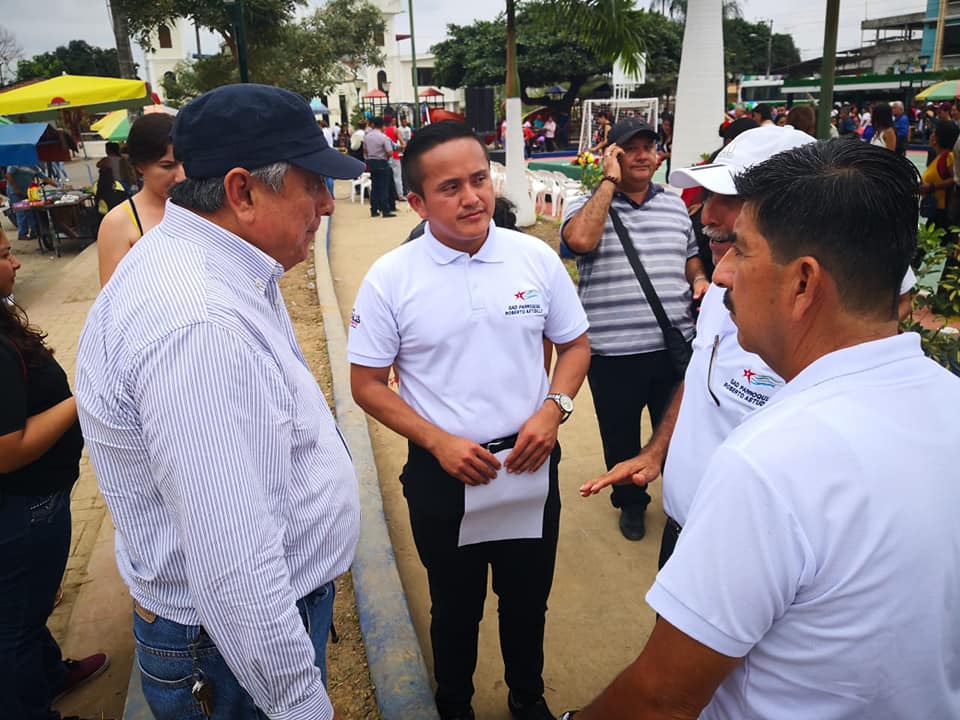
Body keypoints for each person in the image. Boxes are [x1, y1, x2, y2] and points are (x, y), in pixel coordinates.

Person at [564, 139, 960, 720]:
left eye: (742, 251)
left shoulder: (769, 462)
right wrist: (659, 452)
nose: (721, 272)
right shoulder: (946, 400)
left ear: (803, 283)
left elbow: (663, 696)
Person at [74, 83, 365, 720]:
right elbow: (233, 561)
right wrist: (299, 704)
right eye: (312, 184)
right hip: (227, 654)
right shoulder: (198, 325)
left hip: (232, 641)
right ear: (242, 192)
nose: (326, 204)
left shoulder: (220, 268)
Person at [581, 125, 917, 569]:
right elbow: (701, 375)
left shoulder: (830, 334)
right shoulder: (722, 289)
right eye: (709, 194)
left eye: (732, 197)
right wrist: (657, 451)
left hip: (746, 555)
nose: (707, 213)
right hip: (684, 530)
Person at [349, 120, 590, 720]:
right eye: (450, 187)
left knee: (527, 600)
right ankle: (453, 702)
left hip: (529, 464)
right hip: (445, 474)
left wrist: (553, 410)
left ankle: (527, 698)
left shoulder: (533, 259)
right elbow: (366, 385)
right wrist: (438, 442)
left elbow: (575, 345)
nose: (472, 197)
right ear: (417, 202)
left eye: (479, 179)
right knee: (454, 606)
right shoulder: (392, 278)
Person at [561, 117, 709, 541]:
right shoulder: (585, 203)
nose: (643, 155)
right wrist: (608, 183)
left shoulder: (675, 205)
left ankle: (682, 503)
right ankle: (630, 502)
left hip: (673, 347)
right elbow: (580, 242)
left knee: (679, 433)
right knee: (620, 436)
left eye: (650, 147)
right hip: (613, 352)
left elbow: (690, 256)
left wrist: (699, 278)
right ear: (613, 155)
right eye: (631, 148)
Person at [0, 226, 111, 720]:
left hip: (35, 500)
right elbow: (8, 449)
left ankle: (49, 675)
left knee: (29, 604)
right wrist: (81, 399)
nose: (17, 262)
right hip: (25, 506)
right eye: (5, 255)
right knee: (16, 627)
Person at [96, 114, 184, 286]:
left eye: (185, 163)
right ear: (140, 165)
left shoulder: (200, 206)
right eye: (167, 166)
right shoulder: (118, 222)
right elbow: (113, 296)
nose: (181, 176)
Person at [920, 119, 959, 229]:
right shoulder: (939, 157)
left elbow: (955, 179)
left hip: (943, 214)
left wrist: (933, 186)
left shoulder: (948, 157)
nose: (931, 135)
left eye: (933, 132)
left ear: (936, 138)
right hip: (935, 211)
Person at [5, 164, 56, 241]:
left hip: (27, 191)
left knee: (31, 211)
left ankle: (34, 232)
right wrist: (15, 188)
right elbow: (8, 175)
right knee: (21, 212)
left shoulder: (34, 167)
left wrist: (58, 186)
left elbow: (45, 178)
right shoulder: (15, 164)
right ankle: (22, 234)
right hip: (14, 192)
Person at [362, 116, 396, 218]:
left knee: (375, 186)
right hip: (382, 162)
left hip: (371, 162)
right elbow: (390, 152)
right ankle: (385, 210)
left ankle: (374, 209)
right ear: (382, 125)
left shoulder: (367, 136)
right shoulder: (383, 137)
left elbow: (365, 151)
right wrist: (386, 157)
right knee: (384, 186)